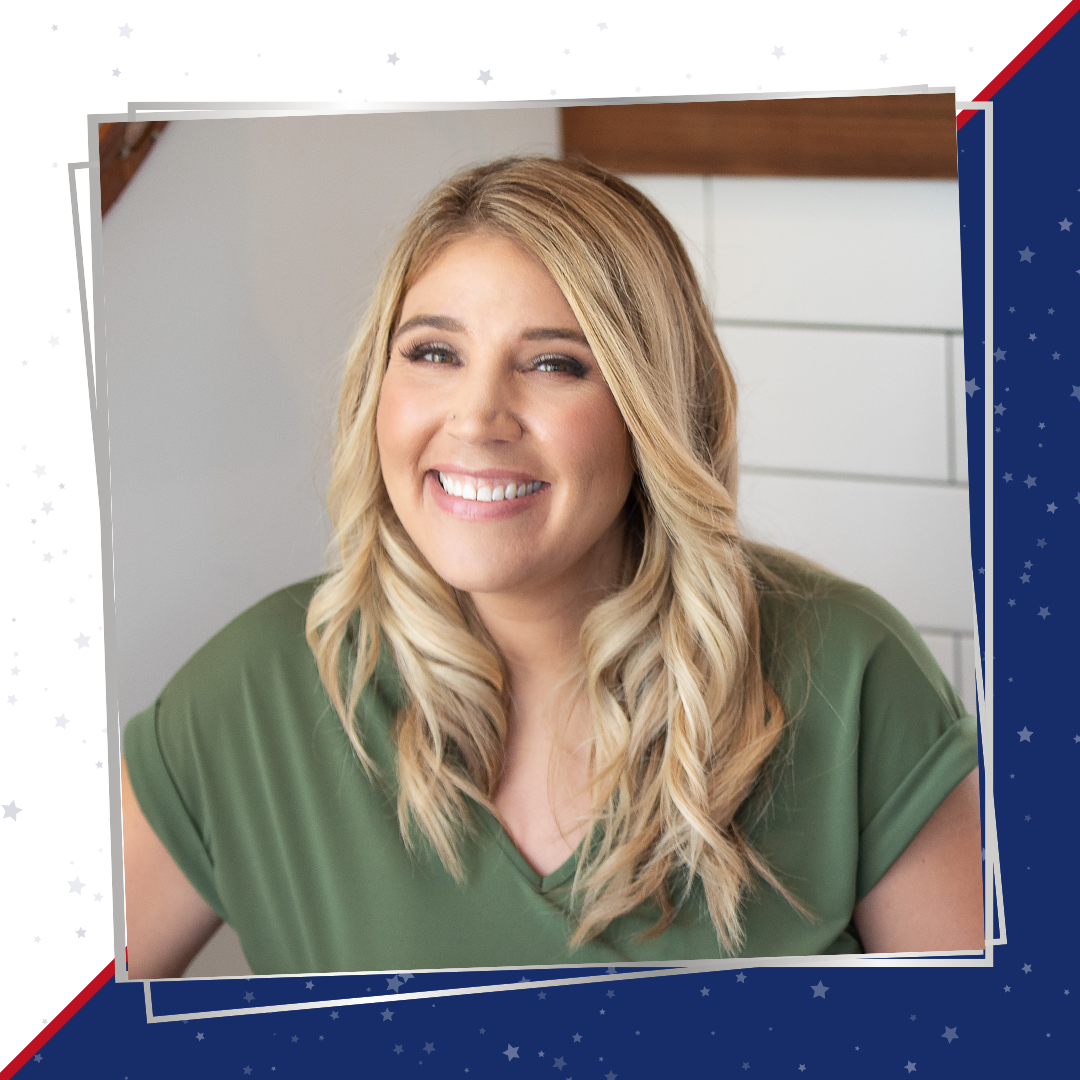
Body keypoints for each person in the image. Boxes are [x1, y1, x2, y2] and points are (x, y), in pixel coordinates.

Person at [121, 156, 982, 978]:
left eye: (553, 363)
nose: (477, 418)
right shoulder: (250, 695)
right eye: (434, 353)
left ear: (651, 409)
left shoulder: (849, 676)